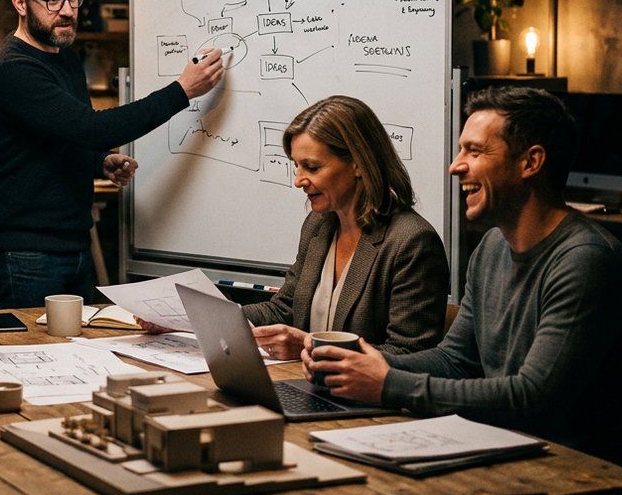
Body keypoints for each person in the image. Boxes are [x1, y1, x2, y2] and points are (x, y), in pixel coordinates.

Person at [307, 86, 622, 465]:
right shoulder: (492, 248)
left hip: (572, 476)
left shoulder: (584, 261)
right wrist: (355, 363)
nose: (456, 165)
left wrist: (388, 384)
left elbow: (532, 399)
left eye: (475, 151)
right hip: (502, 448)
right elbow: (456, 360)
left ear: (530, 162)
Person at [0, 0, 226, 308]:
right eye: (52, 1)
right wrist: (182, 90)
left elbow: (61, 135)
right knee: (36, 360)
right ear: (19, 2)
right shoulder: (12, 69)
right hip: (25, 252)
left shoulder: (64, 57)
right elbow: (93, 128)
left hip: (72, 241)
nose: (67, 12)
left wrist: (97, 161)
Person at [138, 95, 449, 361]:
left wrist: (310, 347)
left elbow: (411, 357)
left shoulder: (411, 242)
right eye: (296, 166)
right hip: (307, 385)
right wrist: (188, 320)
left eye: (312, 167)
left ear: (358, 163)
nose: (299, 180)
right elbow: (283, 310)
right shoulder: (319, 225)